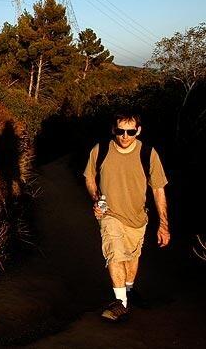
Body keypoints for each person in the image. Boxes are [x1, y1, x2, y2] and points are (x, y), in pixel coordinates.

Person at [83, 112, 170, 322]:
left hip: (137, 218)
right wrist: (96, 199)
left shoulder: (148, 153)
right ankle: (120, 303)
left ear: (138, 131)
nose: (124, 136)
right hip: (109, 215)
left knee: (131, 258)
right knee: (115, 254)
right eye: (120, 131)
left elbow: (158, 190)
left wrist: (163, 225)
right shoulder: (101, 150)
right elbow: (89, 177)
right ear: (114, 130)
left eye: (130, 131)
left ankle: (129, 290)